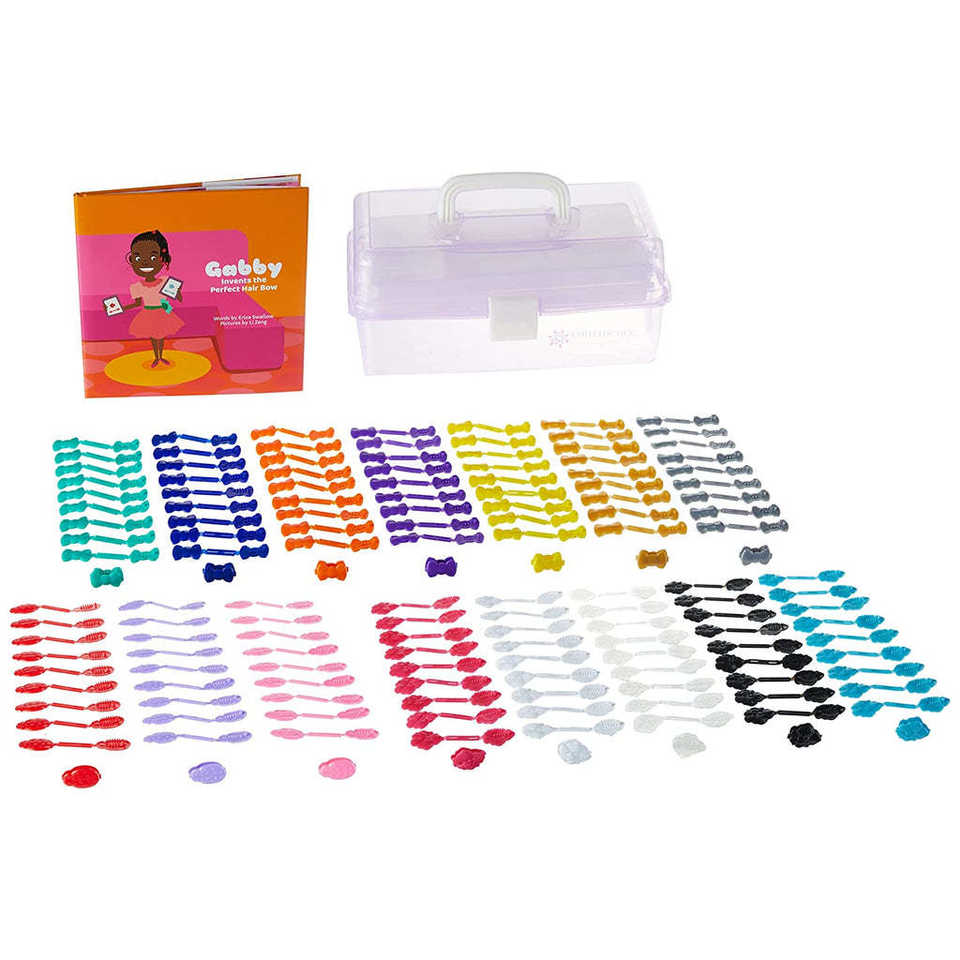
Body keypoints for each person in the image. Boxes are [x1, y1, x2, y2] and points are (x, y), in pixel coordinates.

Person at [120, 230, 184, 367]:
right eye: (138, 258)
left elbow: (179, 298)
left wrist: (178, 292)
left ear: (162, 259)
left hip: (162, 311)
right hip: (148, 313)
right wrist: (120, 308)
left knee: (160, 336)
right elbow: (137, 303)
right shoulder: (136, 286)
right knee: (154, 337)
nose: (145, 262)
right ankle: (157, 357)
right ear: (132, 260)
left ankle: (160, 356)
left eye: (153, 258)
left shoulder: (165, 281)